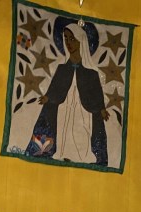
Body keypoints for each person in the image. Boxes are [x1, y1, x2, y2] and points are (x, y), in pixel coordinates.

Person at [26, 22, 110, 165]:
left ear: (81, 41)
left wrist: (101, 108)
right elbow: (55, 86)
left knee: (82, 131)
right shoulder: (62, 68)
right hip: (63, 106)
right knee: (62, 129)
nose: (68, 42)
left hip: (84, 109)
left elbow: (97, 92)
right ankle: (60, 152)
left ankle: (84, 157)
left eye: (72, 39)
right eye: (65, 38)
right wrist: (48, 97)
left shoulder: (91, 73)